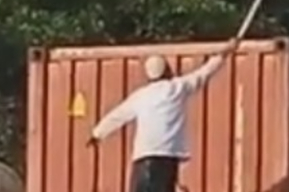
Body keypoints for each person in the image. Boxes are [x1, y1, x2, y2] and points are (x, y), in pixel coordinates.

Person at [87, 38, 240, 192]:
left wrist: (97, 134)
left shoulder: (141, 96)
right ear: (167, 69)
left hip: (142, 158)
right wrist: (227, 50)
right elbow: (206, 71)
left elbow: (118, 115)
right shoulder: (177, 88)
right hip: (166, 157)